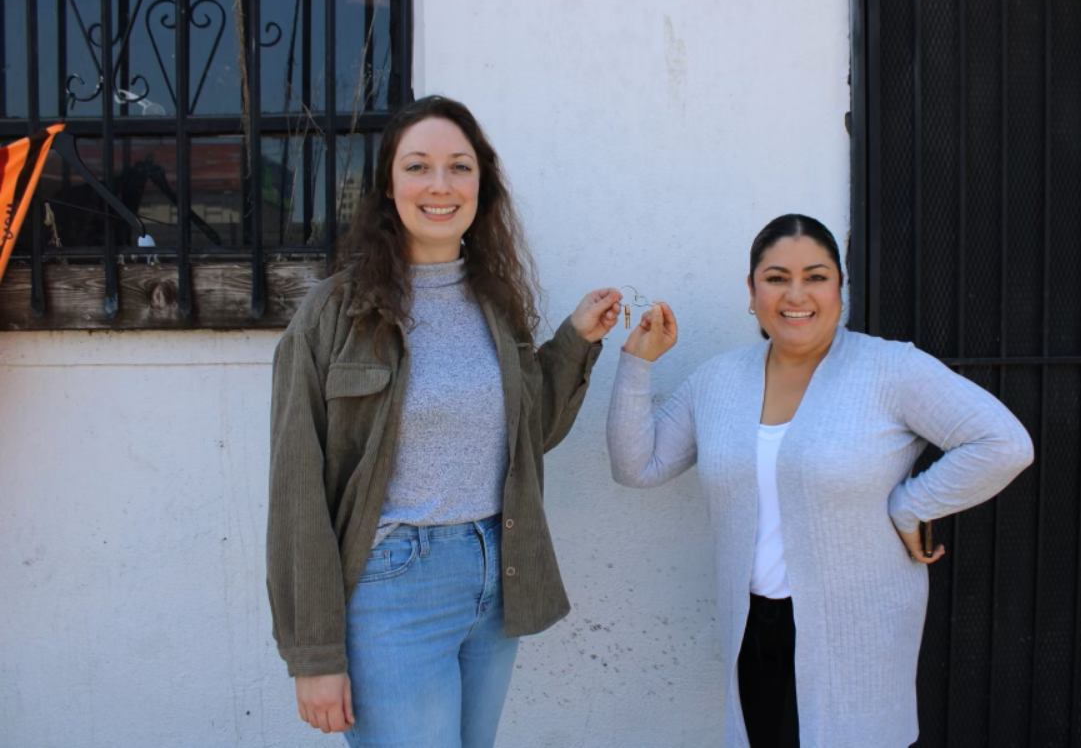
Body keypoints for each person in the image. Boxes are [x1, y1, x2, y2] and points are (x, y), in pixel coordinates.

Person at [267, 94, 621, 748]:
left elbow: (523, 436)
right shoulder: (331, 316)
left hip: (495, 578)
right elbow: (297, 492)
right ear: (386, 186)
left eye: (459, 167)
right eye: (418, 166)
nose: (440, 185)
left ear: (481, 185)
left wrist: (573, 340)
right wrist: (313, 654)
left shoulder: (496, 303)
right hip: (391, 586)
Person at [607, 213, 1033, 747]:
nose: (796, 294)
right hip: (753, 632)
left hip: (856, 634)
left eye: (816, 276)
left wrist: (911, 506)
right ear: (751, 289)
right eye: (777, 277)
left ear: (839, 286)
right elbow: (637, 465)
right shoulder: (718, 380)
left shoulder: (889, 369)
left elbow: (1003, 443)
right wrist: (636, 365)